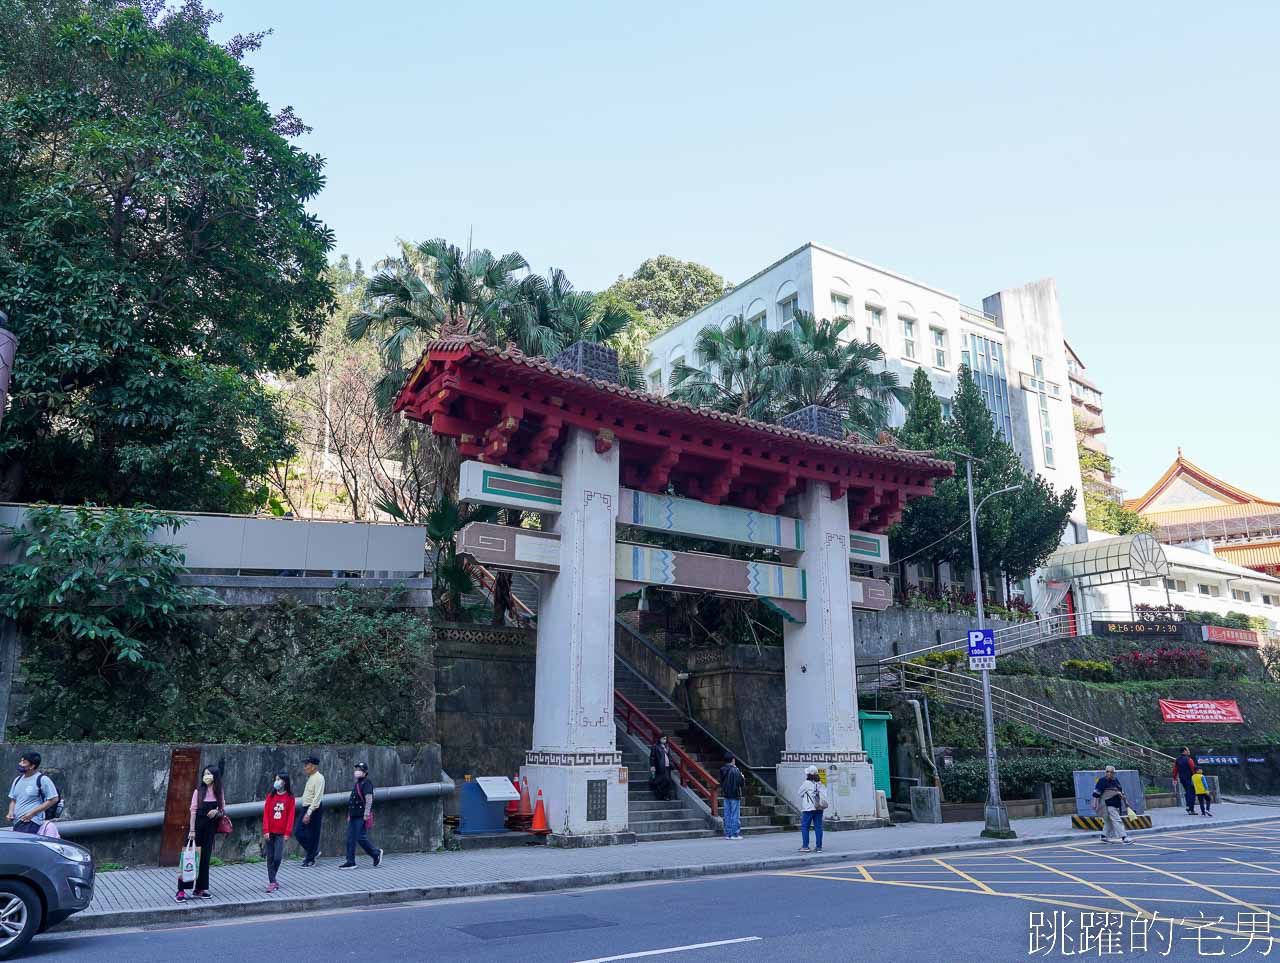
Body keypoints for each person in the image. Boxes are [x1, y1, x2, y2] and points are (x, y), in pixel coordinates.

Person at [178, 765, 226, 902]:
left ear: (215, 776)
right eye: (205, 773)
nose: (206, 776)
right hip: (196, 828)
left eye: (209, 774)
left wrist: (217, 811)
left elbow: (223, 809)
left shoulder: (219, 792)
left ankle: (200, 889)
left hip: (210, 829)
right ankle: (181, 890)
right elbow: (193, 811)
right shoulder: (198, 792)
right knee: (189, 857)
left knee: (204, 859)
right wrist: (192, 830)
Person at [339, 762, 382, 869]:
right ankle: (350, 861)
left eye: (360, 769)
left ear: (365, 772)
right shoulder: (358, 783)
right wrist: (350, 815)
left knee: (360, 837)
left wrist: (366, 814)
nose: (357, 771)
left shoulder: (366, 783)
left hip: (361, 816)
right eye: (357, 769)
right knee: (350, 838)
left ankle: (375, 853)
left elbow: (369, 799)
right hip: (353, 815)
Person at [7, 752, 59, 835]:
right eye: (21, 761)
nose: (20, 764)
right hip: (18, 821)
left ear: (32, 766)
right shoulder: (17, 780)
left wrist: (32, 813)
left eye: (24, 762)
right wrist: (10, 812)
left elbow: (54, 799)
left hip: (31, 821)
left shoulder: (42, 779)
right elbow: (13, 800)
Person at [262, 770, 295, 892]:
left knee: (277, 858)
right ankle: (272, 882)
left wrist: (287, 832)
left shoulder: (290, 798)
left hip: (281, 833)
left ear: (284, 782)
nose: (276, 782)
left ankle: (273, 878)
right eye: (275, 779)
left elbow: (291, 816)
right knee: (270, 857)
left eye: (278, 780)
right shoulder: (271, 796)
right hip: (270, 832)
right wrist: (266, 830)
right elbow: (265, 814)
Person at [1091, 765, 1134, 845]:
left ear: (1114, 773)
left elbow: (1121, 791)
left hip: (1116, 803)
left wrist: (1126, 801)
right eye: (1107, 771)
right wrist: (1095, 803)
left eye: (1111, 772)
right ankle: (1124, 837)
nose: (1109, 773)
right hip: (1107, 804)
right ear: (1105, 772)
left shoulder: (1116, 780)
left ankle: (1103, 836)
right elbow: (1096, 793)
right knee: (1117, 820)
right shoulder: (1102, 781)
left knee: (1108, 821)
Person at [296, 755, 326, 866]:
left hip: (313, 809)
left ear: (313, 766)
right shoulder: (311, 777)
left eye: (307, 765)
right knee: (299, 832)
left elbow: (317, 797)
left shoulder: (319, 778)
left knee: (312, 834)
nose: (305, 767)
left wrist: (309, 812)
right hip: (306, 807)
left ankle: (310, 859)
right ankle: (313, 852)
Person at [798, 766, 827, 853]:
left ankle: (805, 846)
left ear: (808, 774)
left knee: (805, 827)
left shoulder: (806, 783)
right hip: (819, 807)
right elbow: (824, 794)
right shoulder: (820, 783)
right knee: (818, 827)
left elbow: (799, 793)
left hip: (808, 808)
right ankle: (819, 847)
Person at [719, 754, 744, 840]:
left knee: (727, 814)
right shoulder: (735, 769)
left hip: (726, 794)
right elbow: (740, 783)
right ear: (732, 760)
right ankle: (735, 834)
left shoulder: (722, 769)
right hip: (734, 794)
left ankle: (728, 834)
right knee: (735, 815)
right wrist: (742, 777)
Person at [649, 735, 676, 802]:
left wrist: (671, 764)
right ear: (660, 738)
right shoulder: (655, 747)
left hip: (667, 766)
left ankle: (666, 796)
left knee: (668, 781)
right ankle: (661, 794)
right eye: (663, 738)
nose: (665, 740)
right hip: (660, 767)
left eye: (666, 739)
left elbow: (669, 756)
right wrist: (652, 766)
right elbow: (652, 757)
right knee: (663, 780)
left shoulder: (667, 747)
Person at [1173, 747, 1198, 815]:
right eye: (1188, 750)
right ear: (1184, 751)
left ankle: (1188, 806)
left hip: (1182, 779)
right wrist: (1196, 777)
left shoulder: (1177, 760)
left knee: (1187, 792)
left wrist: (1174, 778)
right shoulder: (1189, 759)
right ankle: (1191, 809)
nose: (1189, 751)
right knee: (1192, 793)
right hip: (1190, 778)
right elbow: (1193, 769)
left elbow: (1175, 769)